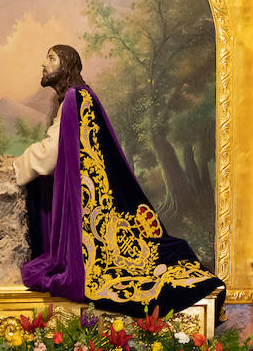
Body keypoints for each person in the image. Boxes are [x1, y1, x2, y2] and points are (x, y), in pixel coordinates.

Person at [13, 44, 223, 318]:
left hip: (89, 213)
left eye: (51, 58)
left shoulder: (76, 97)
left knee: (121, 271)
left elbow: (51, 154)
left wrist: (17, 167)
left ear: (67, 65)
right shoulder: (78, 98)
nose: (44, 63)